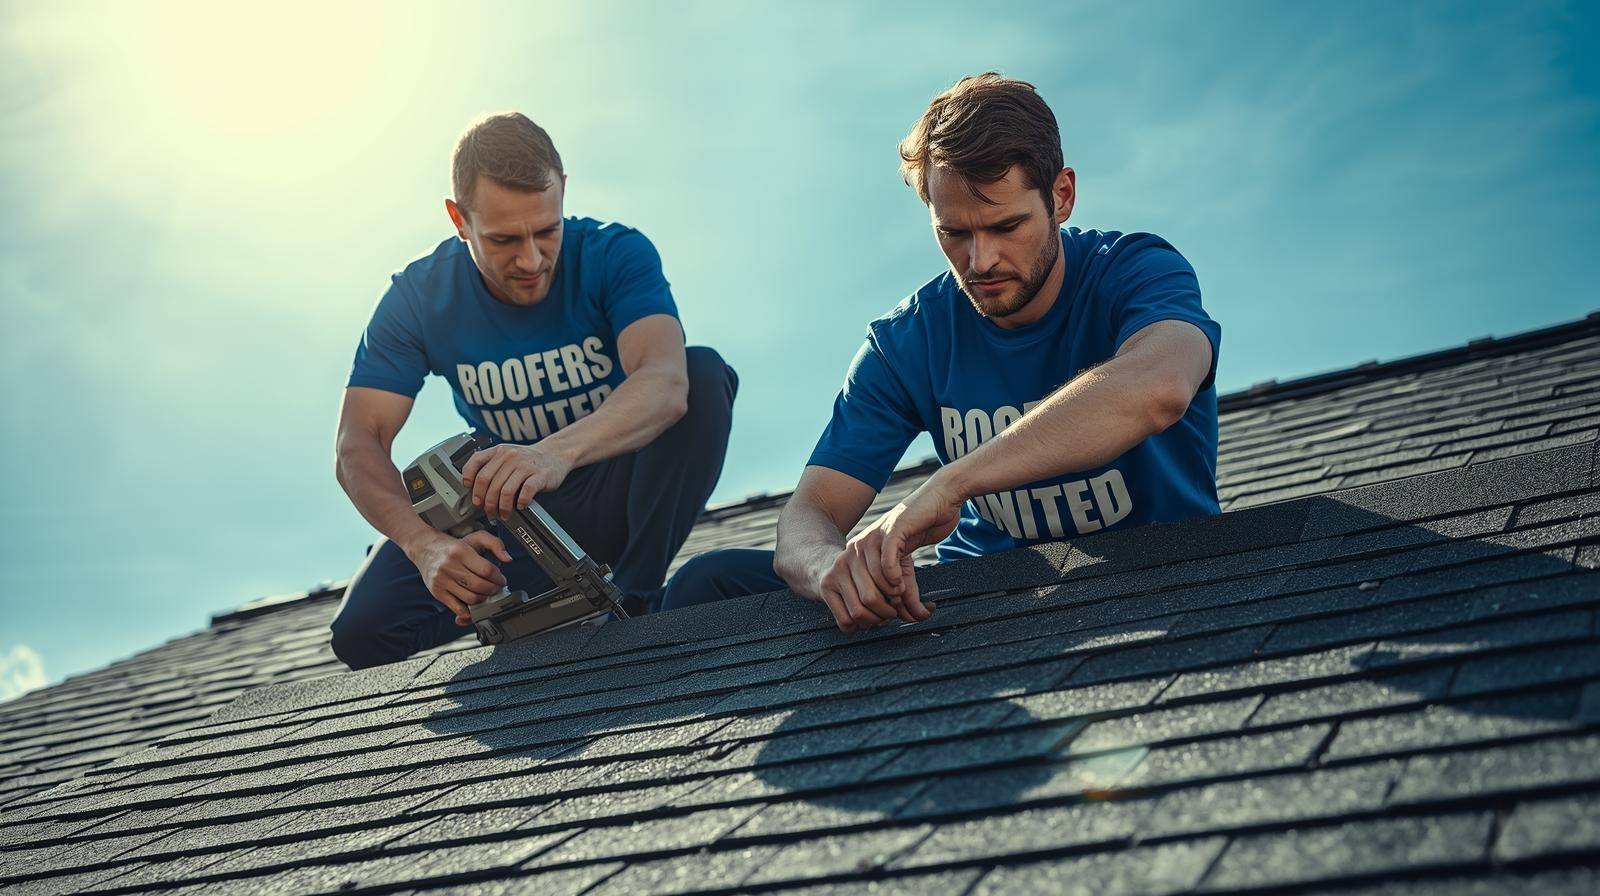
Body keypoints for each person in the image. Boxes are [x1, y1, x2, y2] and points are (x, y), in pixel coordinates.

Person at [662, 73, 1219, 633]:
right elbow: (810, 516)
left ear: (1062, 196)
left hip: (1163, 575)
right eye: (953, 233)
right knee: (705, 582)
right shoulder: (907, 340)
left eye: (1006, 226)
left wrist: (951, 483)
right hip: (982, 599)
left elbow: (1160, 386)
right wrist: (829, 567)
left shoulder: (1136, 270)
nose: (980, 262)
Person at [330, 112, 737, 669]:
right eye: (502, 240)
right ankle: (525, 630)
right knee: (361, 633)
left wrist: (552, 453)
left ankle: (635, 608)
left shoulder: (615, 254)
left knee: (704, 373)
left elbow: (665, 385)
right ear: (459, 219)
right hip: (510, 513)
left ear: (562, 190)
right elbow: (358, 442)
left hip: (612, 489)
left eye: (546, 230)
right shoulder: (418, 298)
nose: (530, 259)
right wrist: (423, 546)